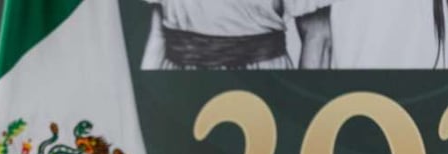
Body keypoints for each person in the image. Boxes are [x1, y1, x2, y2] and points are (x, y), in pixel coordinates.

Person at [141, 0, 336, 70]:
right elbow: (158, 33)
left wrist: (304, 116)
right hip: (182, 85)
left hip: (264, 82)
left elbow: (318, 37)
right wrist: (148, 98)